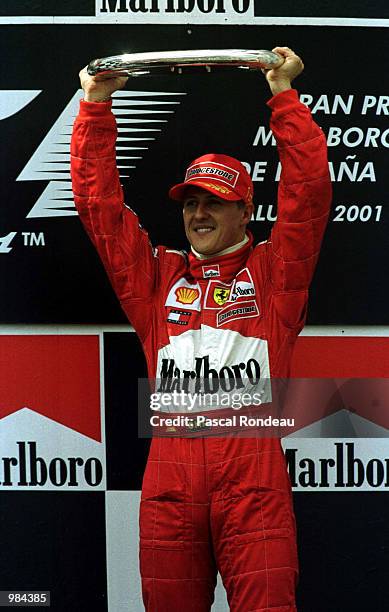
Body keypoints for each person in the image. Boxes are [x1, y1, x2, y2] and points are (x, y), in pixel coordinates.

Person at [71, 47, 331, 612]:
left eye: (215, 202)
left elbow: (308, 196)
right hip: (171, 485)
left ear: (245, 211)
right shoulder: (156, 278)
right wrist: (94, 107)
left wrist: (284, 95)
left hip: (254, 484)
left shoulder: (274, 274)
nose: (199, 214)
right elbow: (100, 210)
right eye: (191, 202)